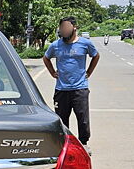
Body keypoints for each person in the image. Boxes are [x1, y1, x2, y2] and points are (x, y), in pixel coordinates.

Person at [42, 16, 100, 154]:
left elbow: (95, 56)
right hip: (61, 89)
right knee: (62, 119)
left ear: (74, 27)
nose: (63, 31)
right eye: (61, 28)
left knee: (83, 119)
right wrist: (52, 72)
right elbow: (46, 58)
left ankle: (84, 143)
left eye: (66, 27)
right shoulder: (55, 45)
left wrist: (89, 72)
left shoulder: (85, 44)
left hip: (80, 88)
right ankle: (64, 144)